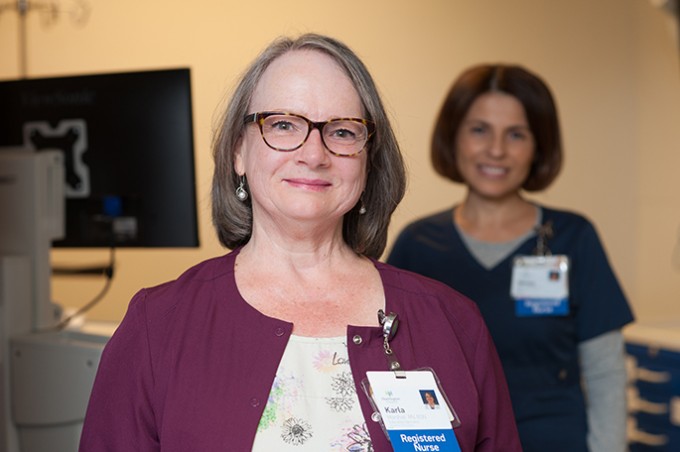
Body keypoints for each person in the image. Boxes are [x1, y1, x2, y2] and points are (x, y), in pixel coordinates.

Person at [78, 36, 522, 451]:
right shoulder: (157, 326)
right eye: (284, 124)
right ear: (238, 151)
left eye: (343, 131)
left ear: (369, 158)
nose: (314, 154)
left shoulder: (455, 323)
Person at [387, 63, 635, 452]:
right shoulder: (418, 245)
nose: (496, 150)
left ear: (539, 146)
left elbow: (605, 373)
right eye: (479, 129)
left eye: (516, 134)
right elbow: (390, 370)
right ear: (453, 137)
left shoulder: (573, 237)